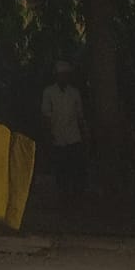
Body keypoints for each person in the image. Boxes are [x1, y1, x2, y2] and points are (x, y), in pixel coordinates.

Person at [41, 60, 88, 205]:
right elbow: (46, 115)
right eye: (61, 75)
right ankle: (63, 196)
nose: (63, 77)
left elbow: (80, 115)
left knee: (75, 166)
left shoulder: (74, 93)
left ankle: (75, 195)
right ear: (56, 76)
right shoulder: (49, 92)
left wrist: (84, 133)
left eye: (66, 75)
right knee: (61, 168)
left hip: (73, 136)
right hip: (58, 136)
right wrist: (49, 134)